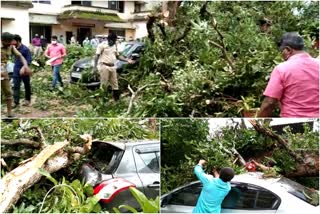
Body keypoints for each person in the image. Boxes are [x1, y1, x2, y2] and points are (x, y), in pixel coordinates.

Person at [258, 32, 319, 117]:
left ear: (288, 49)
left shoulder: (282, 69)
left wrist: (257, 123)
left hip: (292, 123)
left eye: (282, 51)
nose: (281, 55)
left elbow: (269, 103)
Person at [94, 32, 134, 101]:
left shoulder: (114, 46)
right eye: (114, 41)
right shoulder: (102, 45)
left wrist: (127, 60)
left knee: (115, 84)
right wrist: (94, 67)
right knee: (104, 85)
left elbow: (118, 56)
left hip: (112, 67)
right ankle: (103, 101)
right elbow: (96, 56)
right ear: (109, 40)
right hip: (104, 66)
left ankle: (116, 101)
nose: (115, 42)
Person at [1, 32, 31, 117]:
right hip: (13, 70)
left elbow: (21, 57)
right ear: (2, 41)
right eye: (8, 42)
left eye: (11, 42)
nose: (10, 44)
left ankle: (9, 113)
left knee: (8, 92)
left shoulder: (13, 47)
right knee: (16, 86)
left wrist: (25, 66)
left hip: (4, 72)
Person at [12, 34, 32, 108]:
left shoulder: (25, 49)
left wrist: (24, 67)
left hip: (25, 70)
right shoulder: (13, 49)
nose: (12, 42)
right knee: (16, 86)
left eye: (13, 41)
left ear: (18, 41)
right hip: (16, 69)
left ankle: (27, 100)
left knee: (27, 85)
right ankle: (16, 102)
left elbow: (29, 60)